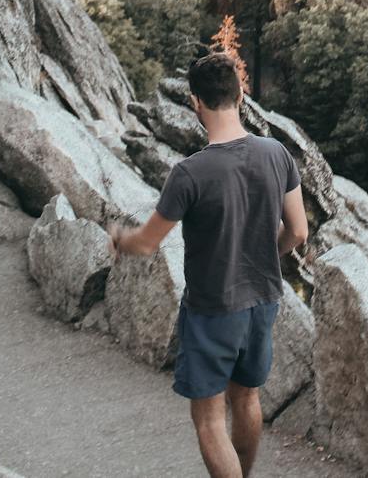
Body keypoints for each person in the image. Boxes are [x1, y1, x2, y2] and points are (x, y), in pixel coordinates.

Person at [107, 52, 308, 478]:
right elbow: (298, 233)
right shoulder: (277, 154)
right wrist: (263, 255)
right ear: (240, 95)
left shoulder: (189, 174)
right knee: (247, 400)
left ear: (196, 103)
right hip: (263, 302)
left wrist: (120, 239)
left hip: (212, 309)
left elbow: (147, 243)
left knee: (210, 420)